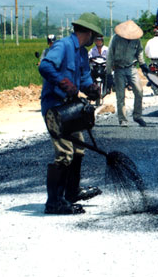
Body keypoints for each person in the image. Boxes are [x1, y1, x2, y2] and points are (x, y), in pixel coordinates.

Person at [38, 12, 103, 215]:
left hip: (70, 108)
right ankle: (54, 202)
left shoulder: (82, 53)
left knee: (79, 150)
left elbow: (83, 77)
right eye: (96, 35)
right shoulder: (63, 46)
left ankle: (71, 193)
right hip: (55, 108)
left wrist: (90, 87)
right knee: (65, 153)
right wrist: (62, 82)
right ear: (90, 32)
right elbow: (45, 66)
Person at [106, 20, 149, 127]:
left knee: (139, 91)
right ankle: (123, 119)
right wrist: (108, 73)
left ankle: (137, 116)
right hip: (119, 68)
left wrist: (143, 64)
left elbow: (139, 52)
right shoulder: (116, 39)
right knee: (120, 95)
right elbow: (110, 56)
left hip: (132, 67)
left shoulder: (136, 40)